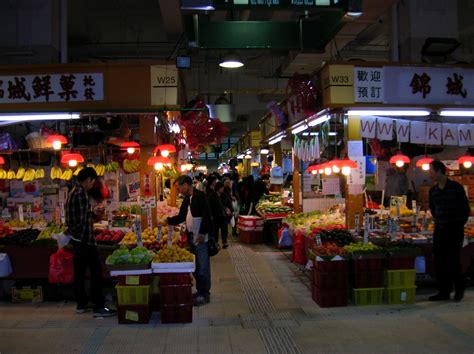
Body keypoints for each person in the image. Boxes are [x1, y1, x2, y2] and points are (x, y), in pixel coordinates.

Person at [66, 167, 116, 317]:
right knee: (96, 273)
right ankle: (99, 306)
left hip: (77, 239)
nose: (92, 185)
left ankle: (81, 304)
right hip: (85, 239)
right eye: (92, 181)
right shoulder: (80, 193)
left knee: (80, 273)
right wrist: (94, 212)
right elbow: (82, 219)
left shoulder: (73, 191)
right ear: (88, 180)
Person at [167, 175, 213, 306]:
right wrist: (168, 221)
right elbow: (182, 215)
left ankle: (205, 294)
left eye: (179, 187)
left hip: (201, 237)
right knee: (196, 267)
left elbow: (207, 216)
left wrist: (203, 233)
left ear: (186, 185)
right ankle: (200, 291)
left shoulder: (200, 196)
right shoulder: (187, 199)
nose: (179, 190)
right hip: (191, 237)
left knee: (203, 267)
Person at [428, 160, 469, 302]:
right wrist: (440, 221)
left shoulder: (455, 187)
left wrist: (457, 224)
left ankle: (459, 289)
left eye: (431, 171)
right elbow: (433, 209)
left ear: (439, 171)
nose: (430, 174)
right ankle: (443, 291)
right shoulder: (433, 191)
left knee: (453, 260)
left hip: (454, 229)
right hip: (440, 229)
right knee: (440, 261)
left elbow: (465, 209)